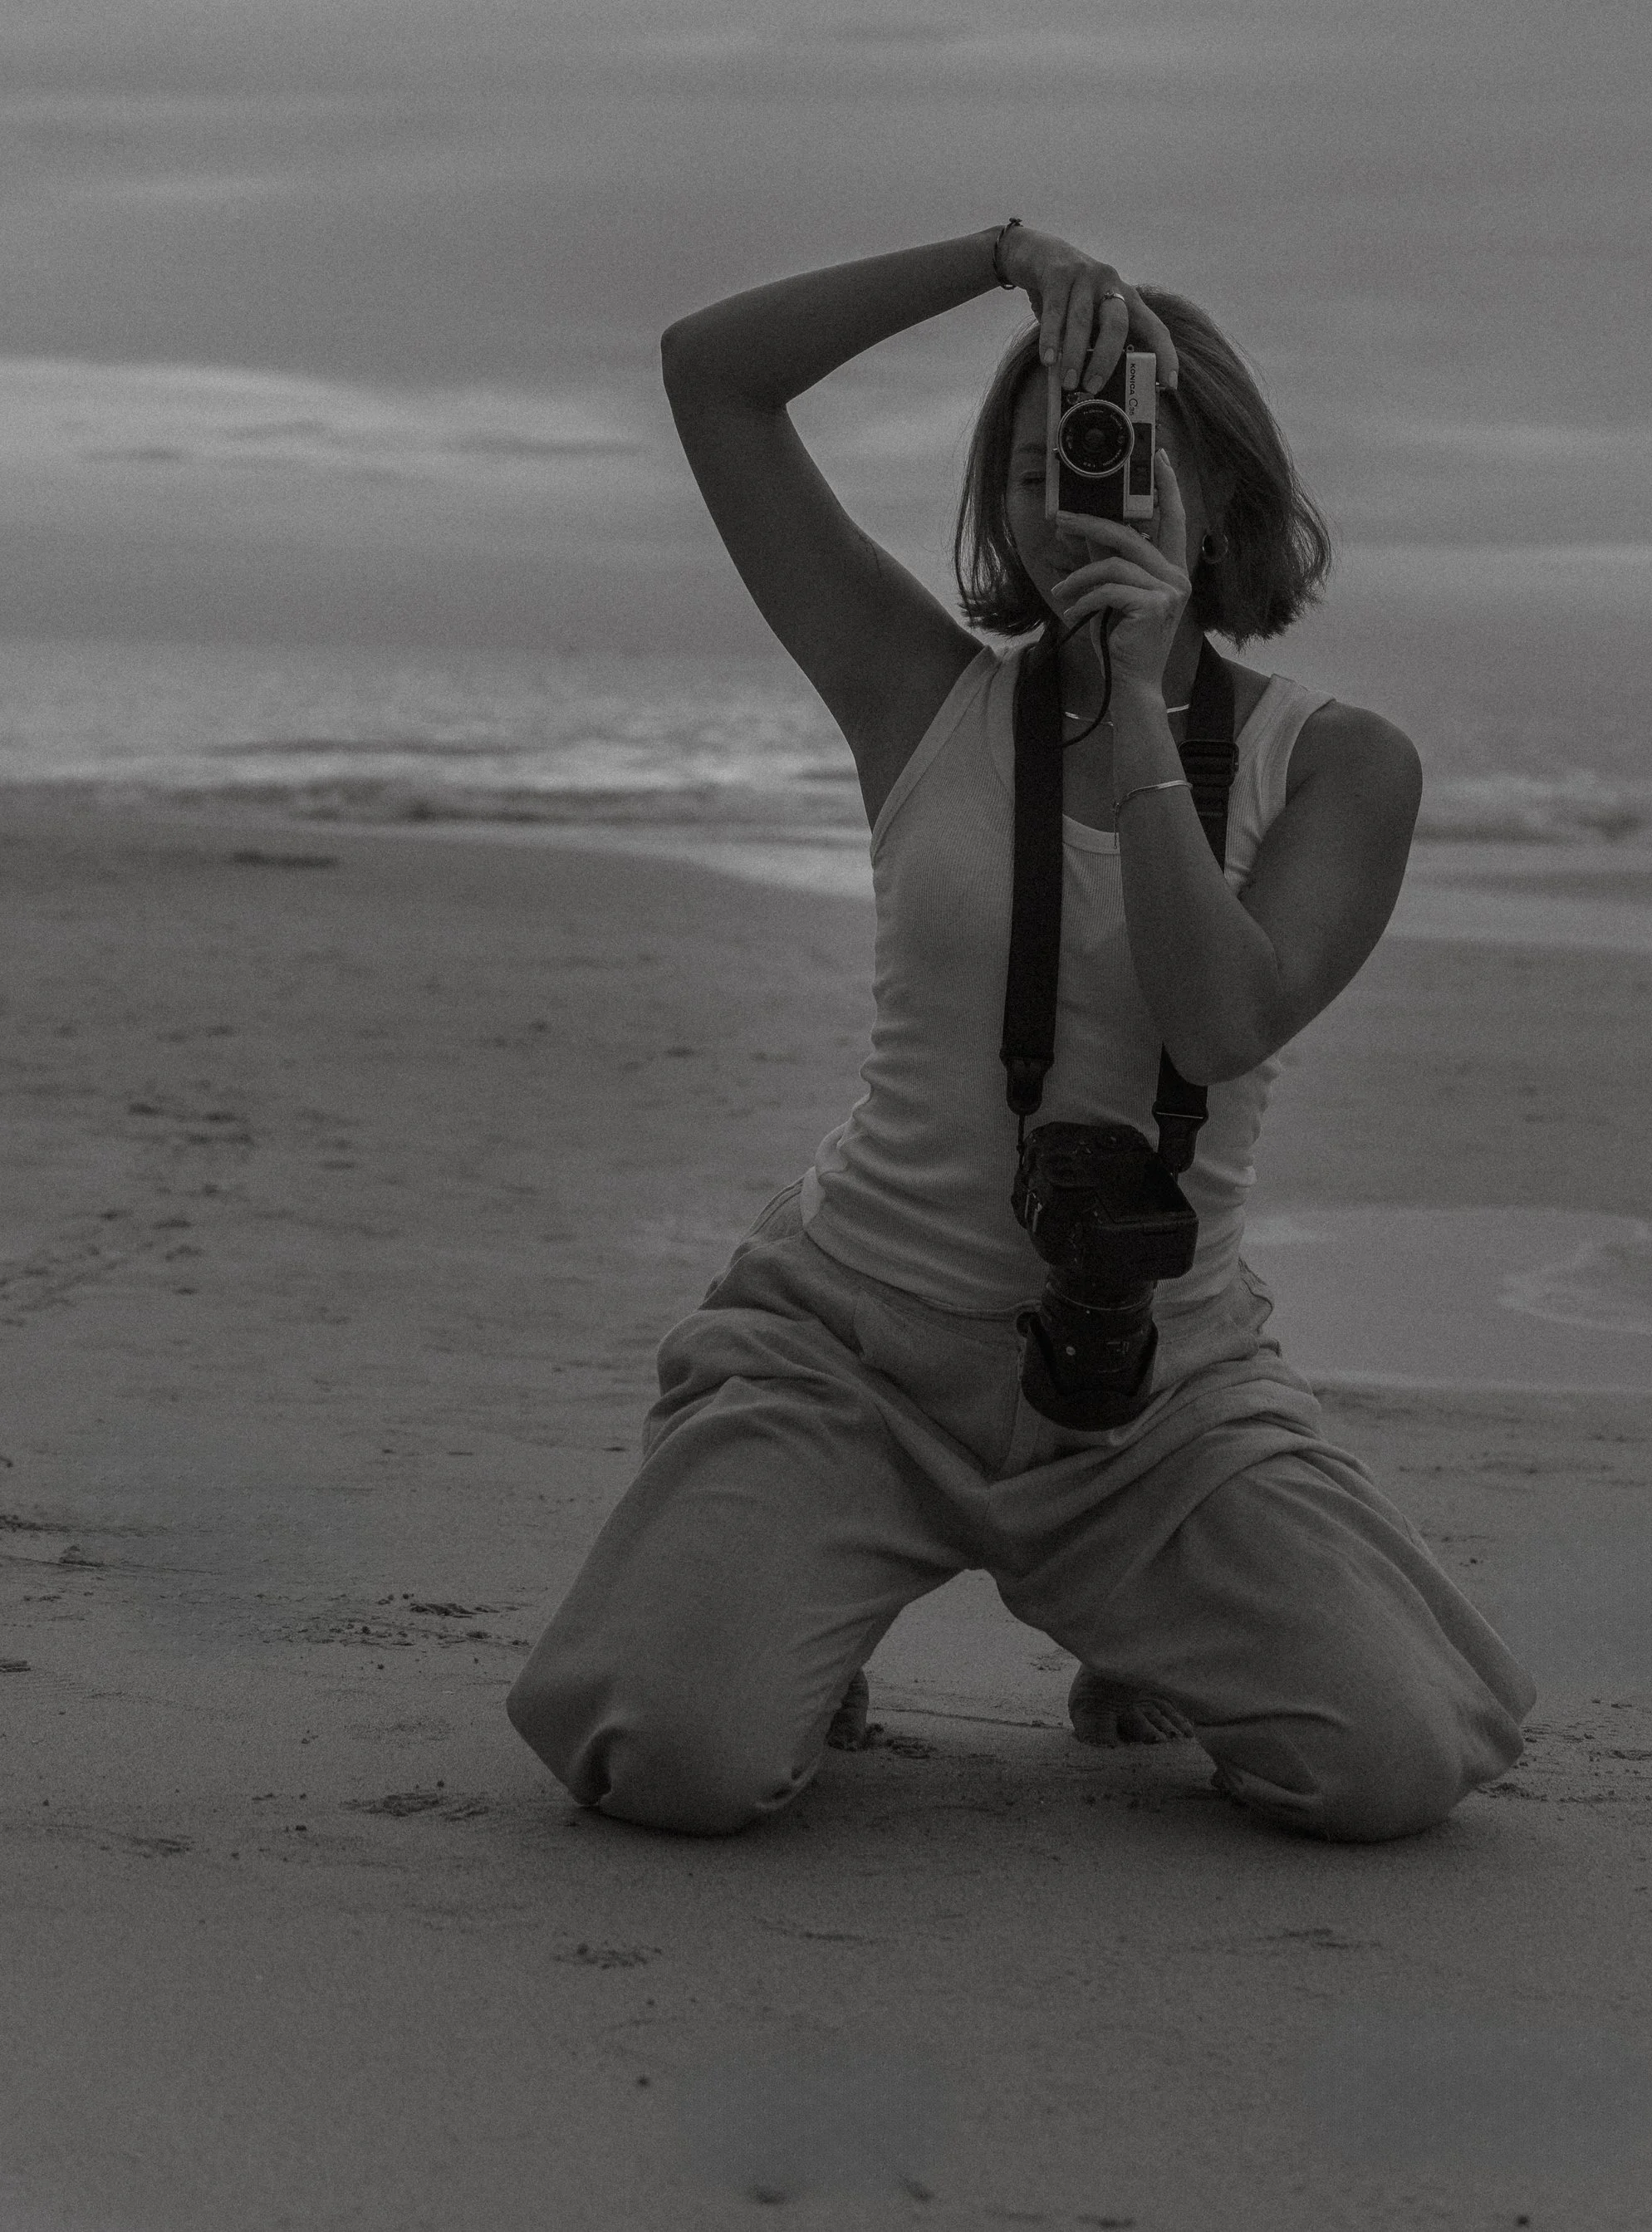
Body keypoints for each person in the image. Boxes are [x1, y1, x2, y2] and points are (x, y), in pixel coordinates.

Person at [507, 223, 1532, 1842]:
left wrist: (1137, 717)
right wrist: (992, 259)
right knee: (670, 1755)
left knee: (1391, 1765)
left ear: (1220, 490)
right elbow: (712, 378)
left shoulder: (1341, 765)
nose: (1081, 499)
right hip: (857, 1352)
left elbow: (1221, 1017)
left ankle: (1138, 1616)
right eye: (1047, 462)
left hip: (1156, 1388)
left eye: (1124, 457)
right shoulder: (918, 693)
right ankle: (777, 1538)